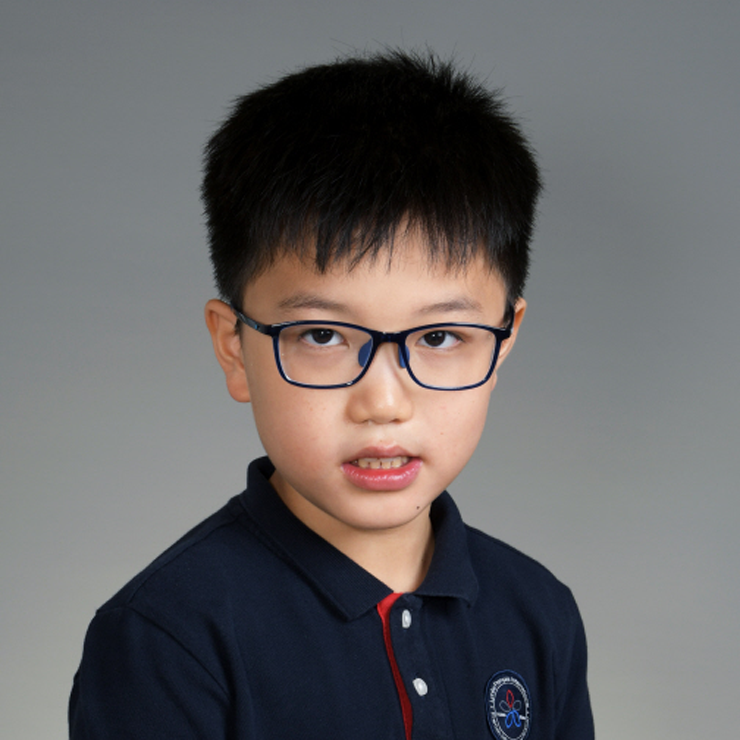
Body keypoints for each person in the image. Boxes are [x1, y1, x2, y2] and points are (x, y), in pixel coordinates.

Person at [69, 50, 593, 740]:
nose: (384, 402)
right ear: (234, 347)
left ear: (504, 342)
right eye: (323, 335)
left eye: (439, 337)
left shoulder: (538, 612)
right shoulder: (168, 637)